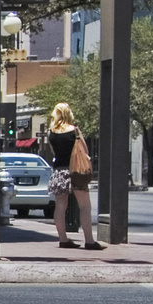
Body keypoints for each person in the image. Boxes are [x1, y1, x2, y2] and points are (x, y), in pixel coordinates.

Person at [46, 102, 101, 250]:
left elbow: (53, 152)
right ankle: (89, 241)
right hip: (75, 171)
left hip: (59, 171)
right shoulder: (75, 131)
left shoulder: (51, 132)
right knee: (84, 206)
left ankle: (63, 239)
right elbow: (85, 152)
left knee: (60, 207)